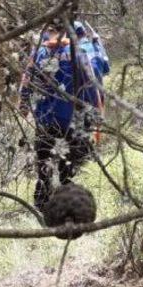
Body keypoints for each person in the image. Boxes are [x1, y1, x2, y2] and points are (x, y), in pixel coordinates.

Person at [19, 23, 101, 211]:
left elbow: (26, 81)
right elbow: (90, 84)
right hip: (69, 119)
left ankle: (43, 203)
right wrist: (94, 112)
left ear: (49, 32)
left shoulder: (38, 53)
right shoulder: (77, 53)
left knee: (43, 162)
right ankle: (65, 201)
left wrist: (23, 103)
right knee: (67, 164)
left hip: (45, 119)